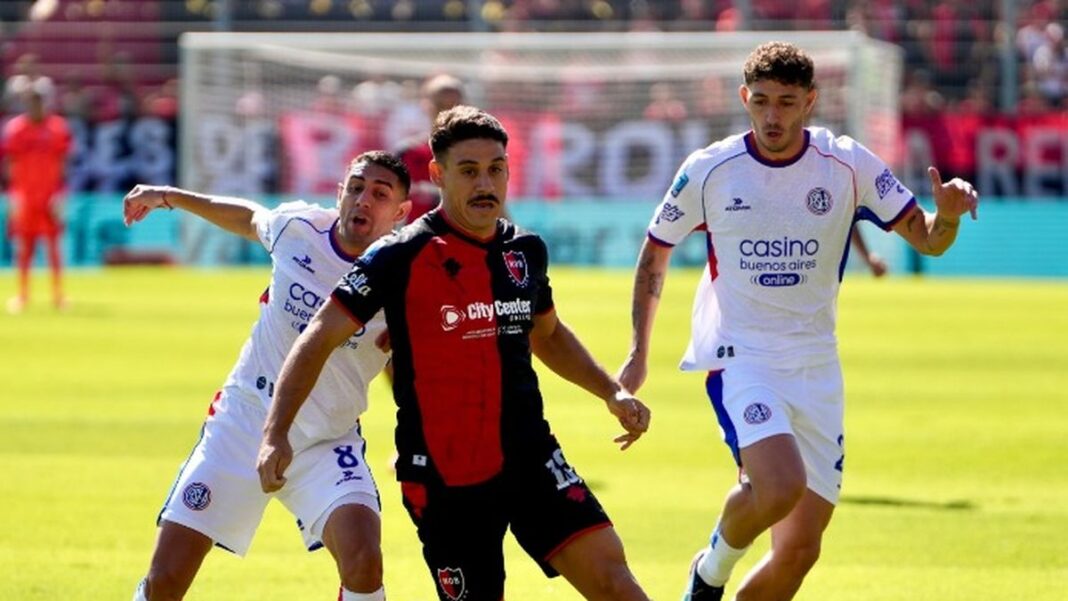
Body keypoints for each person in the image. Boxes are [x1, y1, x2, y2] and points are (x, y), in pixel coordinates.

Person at [617, 42, 978, 601]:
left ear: (810, 101)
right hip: (743, 359)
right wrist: (641, 351)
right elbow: (655, 250)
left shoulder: (847, 162)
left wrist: (949, 217)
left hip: (817, 366)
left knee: (799, 551)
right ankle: (706, 577)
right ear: (744, 98)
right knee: (779, 485)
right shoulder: (710, 169)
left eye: (786, 102)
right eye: (760, 101)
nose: (771, 116)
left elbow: (928, 239)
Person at [257, 105, 653, 601]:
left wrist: (611, 392)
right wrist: (276, 434)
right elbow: (318, 336)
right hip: (446, 478)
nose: (485, 183)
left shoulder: (524, 251)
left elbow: (548, 335)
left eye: (496, 169)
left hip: (530, 456)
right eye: (469, 171)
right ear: (438, 175)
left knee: (616, 582)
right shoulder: (397, 257)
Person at [124, 151, 412, 601]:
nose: (363, 201)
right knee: (165, 582)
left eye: (379, 195)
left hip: (325, 440)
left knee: (364, 561)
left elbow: (405, 364)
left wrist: (413, 431)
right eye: (355, 188)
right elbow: (249, 217)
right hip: (243, 424)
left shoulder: (402, 276)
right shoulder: (298, 230)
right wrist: (168, 196)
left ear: (400, 213)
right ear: (340, 193)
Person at [3, 76, 72, 313]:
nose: (35, 106)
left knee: (54, 247)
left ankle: (58, 295)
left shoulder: (57, 128)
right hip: (25, 196)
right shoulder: (16, 129)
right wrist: (14, 195)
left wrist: (61, 193)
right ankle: (23, 294)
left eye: (38, 101)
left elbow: (63, 163)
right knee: (25, 248)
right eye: (31, 101)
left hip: (49, 196)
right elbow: (10, 164)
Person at [393, 73, 465, 223]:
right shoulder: (407, 152)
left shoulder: (478, 153)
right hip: (415, 243)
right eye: (440, 105)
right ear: (426, 105)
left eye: (453, 105)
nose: (447, 112)